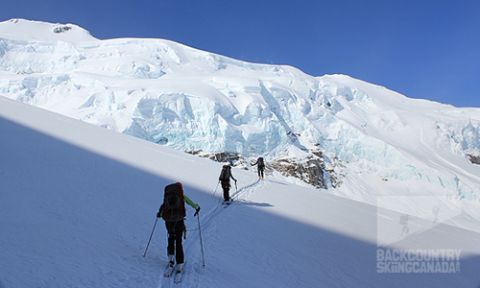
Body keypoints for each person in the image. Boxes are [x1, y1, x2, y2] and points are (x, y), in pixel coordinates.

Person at [156, 182, 200, 273]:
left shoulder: (167, 197)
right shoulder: (181, 196)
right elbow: (190, 202)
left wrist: (159, 214)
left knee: (171, 238)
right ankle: (179, 263)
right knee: (178, 241)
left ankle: (171, 258)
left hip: (168, 222)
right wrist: (196, 207)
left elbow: (163, 207)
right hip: (179, 221)